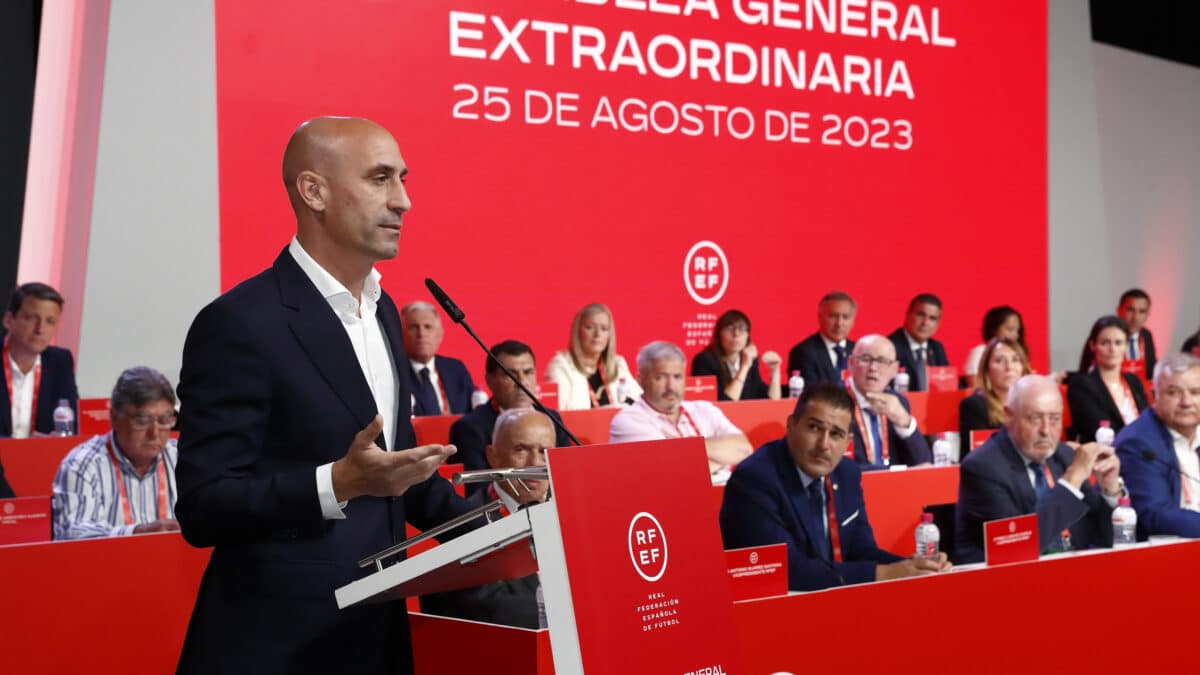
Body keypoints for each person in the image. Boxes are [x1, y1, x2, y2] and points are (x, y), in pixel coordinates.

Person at [173, 117, 474, 675]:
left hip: (375, 638)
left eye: (403, 179)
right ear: (314, 192)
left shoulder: (384, 311)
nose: (403, 200)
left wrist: (504, 520)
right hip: (276, 648)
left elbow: (392, 473)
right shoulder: (239, 324)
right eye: (381, 179)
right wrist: (337, 483)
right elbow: (203, 505)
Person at [719, 383, 950, 591]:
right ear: (791, 425)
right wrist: (887, 573)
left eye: (836, 434)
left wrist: (912, 567)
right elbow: (785, 570)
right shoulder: (756, 478)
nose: (824, 444)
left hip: (828, 602)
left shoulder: (846, 473)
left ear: (847, 442)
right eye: (814, 428)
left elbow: (860, 550)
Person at [955, 375, 1124, 563]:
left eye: (1054, 419)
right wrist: (1072, 478)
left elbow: (1104, 538)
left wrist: (1109, 491)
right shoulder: (983, 468)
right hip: (1007, 583)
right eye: (1035, 418)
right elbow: (1016, 549)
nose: (1046, 430)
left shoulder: (1065, 456)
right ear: (1008, 416)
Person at [421, 408, 552, 628]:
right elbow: (488, 608)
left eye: (544, 451)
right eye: (521, 450)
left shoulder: (569, 514)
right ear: (492, 456)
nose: (535, 463)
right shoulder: (466, 522)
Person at [51, 366, 180, 539]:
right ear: (114, 418)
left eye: (164, 420)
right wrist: (137, 533)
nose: (154, 433)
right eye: (142, 421)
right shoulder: (81, 464)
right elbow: (72, 536)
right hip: (104, 564)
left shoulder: (180, 457)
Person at [447, 340, 571, 497]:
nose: (521, 382)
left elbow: (566, 478)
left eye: (528, 372)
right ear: (490, 380)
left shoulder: (552, 419)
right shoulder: (469, 428)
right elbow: (475, 490)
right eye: (510, 374)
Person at [609, 341, 751, 476]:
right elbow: (669, 471)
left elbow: (744, 450)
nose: (671, 386)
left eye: (677, 377)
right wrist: (720, 459)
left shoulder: (704, 409)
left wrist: (685, 447)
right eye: (660, 377)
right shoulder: (627, 420)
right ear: (640, 379)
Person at [1114, 353, 1200, 538]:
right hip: (1169, 552)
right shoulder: (1137, 444)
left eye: (1195, 392)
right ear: (1154, 396)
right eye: (1173, 393)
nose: (1186, 402)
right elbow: (1155, 515)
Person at [1, 282, 78, 438]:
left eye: (50, 321)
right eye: (32, 318)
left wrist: (59, 439)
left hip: (41, 459)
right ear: (9, 320)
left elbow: (73, 425)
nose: (40, 329)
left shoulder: (60, 362)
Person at [844, 335, 931, 468]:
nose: (873, 367)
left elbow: (923, 461)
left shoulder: (898, 402)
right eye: (866, 359)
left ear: (895, 369)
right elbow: (842, 466)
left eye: (882, 361)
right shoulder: (833, 402)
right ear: (850, 363)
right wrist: (893, 471)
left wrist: (904, 422)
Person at [545, 303, 641, 410]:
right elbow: (559, 414)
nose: (597, 334)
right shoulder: (561, 366)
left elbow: (639, 401)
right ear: (578, 332)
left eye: (604, 329)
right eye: (590, 327)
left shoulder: (618, 364)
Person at [1068, 315, 1149, 442]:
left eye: (1118, 343)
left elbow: (1147, 421)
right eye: (1105, 343)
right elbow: (1096, 429)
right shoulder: (1082, 385)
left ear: (1126, 346)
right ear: (1093, 345)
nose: (1112, 349)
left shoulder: (1133, 381)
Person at [401, 301, 474, 416]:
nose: (421, 333)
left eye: (428, 327)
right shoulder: (394, 372)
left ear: (440, 334)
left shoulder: (456, 369)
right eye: (414, 327)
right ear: (400, 334)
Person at [690, 309, 782, 401]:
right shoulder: (704, 361)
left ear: (748, 335)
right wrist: (744, 367)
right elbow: (724, 403)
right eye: (729, 329)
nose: (736, 334)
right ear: (719, 334)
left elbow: (771, 400)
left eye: (741, 329)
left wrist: (775, 371)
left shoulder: (750, 360)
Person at [958, 337, 1032, 449]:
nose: (1009, 367)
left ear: (1023, 368)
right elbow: (980, 456)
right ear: (987, 371)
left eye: (1015, 360)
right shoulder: (974, 406)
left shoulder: (1031, 404)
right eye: (999, 361)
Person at [787, 291, 857, 387]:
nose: (839, 324)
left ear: (853, 321)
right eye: (833, 316)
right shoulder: (803, 353)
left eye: (845, 317)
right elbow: (809, 396)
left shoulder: (859, 351)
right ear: (820, 317)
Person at [888, 293, 950, 392]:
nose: (925, 323)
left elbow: (947, 386)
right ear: (908, 314)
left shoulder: (937, 348)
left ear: (938, 324)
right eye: (921, 315)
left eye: (932, 318)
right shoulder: (889, 346)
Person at [962, 305, 1026, 389]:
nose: (1015, 335)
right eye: (1010, 329)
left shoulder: (1018, 352)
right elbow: (975, 387)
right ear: (994, 329)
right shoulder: (980, 351)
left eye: (1017, 330)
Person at [1117, 288, 1156, 377]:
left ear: (1147, 316)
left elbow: (1151, 370)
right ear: (1119, 311)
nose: (1135, 317)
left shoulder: (1146, 336)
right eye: (1130, 310)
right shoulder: (1105, 336)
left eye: (1142, 312)